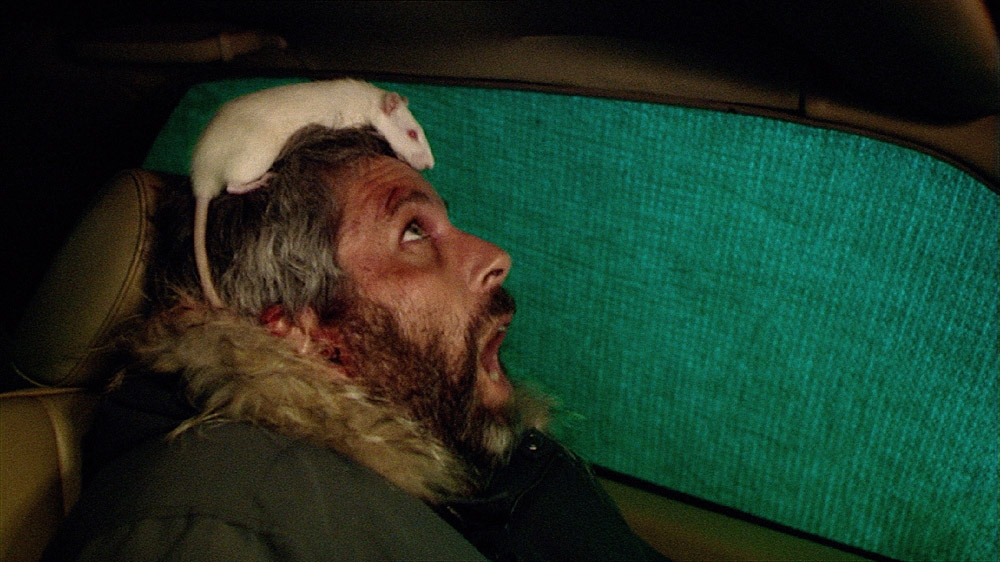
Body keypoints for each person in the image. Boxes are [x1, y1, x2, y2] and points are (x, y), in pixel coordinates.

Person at [43, 125, 669, 561]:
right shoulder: (212, 532)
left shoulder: (464, 464)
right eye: (413, 232)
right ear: (299, 333)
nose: (494, 256)